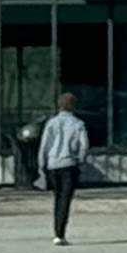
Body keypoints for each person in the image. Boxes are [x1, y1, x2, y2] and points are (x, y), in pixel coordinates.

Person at [36, 90, 91, 243]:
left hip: (53, 165)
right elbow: (84, 145)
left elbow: (44, 146)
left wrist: (42, 166)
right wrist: (81, 160)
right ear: (73, 106)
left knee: (57, 197)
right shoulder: (78, 124)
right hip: (69, 164)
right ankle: (60, 233)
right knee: (65, 200)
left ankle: (56, 232)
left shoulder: (51, 123)